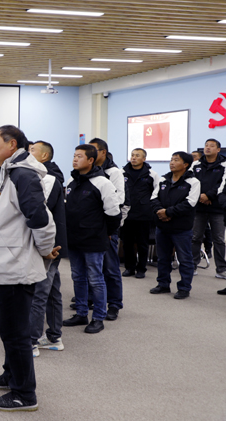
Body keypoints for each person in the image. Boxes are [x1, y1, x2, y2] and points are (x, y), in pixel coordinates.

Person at [0, 125, 58, 412]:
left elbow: (40, 218)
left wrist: (45, 250)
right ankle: (11, 375)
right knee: (7, 327)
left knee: (16, 332)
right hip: (6, 262)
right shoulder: (7, 171)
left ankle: (24, 394)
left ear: (12, 145)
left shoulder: (23, 174)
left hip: (14, 265)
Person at [63, 144, 121, 334]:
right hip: (74, 238)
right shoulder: (72, 181)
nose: (75, 159)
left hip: (94, 239)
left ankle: (98, 317)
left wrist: (108, 232)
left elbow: (113, 212)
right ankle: (81, 313)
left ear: (90, 160)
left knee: (95, 279)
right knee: (78, 277)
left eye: (79, 156)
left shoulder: (102, 182)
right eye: (74, 155)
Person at [28, 141, 67, 357]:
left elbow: (39, 210)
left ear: (44, 156)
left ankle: (32, 341)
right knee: (52, 290)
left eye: (32, 150)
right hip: (47, 243)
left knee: (39, 292)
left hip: (48, 245)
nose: (28, 153)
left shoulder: (49, 178)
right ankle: (54, 337)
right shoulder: (39, 176)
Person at [150, 152, 200, 299]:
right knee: (163, 258)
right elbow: (153, 198)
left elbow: (190, 203)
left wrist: (168, 212)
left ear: (185, 165)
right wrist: (160, 212)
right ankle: (163, 284)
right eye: (171, 159)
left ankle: (184, 288)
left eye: (176, 160)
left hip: (181, 228)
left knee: (184, 259)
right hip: (162, 226)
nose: (172, 162)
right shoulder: (163, 179)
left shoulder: (193, 182)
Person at [89, 138, 126, 321]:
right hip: (90, 226)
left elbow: (119, 200)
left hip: (107, 225)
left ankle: (114, 304)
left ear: (103, 152)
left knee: (110, 267)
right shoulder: (87, 172)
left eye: (93, 150)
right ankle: (91, 299)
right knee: (91, 267)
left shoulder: (114, 172)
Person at [190, 139, 226, 279]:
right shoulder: (196, 164)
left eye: (211, 146)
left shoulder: (224, 165)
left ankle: (221, 269)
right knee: (195, 237)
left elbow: (223, 184)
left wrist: (209, 195)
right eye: (206, 145)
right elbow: (191, 181)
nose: (208, 148)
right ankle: (192, 266)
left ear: (218, 149)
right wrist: (200, 196)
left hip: (217, 207)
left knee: (219, 239)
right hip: (199, 206)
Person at [121, 148, 160, 278]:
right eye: (132, 155)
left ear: (144, 159)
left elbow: (156, 193)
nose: (134, 157)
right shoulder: (122, 173)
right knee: (127, 243)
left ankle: (141, 269)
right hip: (127, 213)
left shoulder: (151, 174)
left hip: (144, 213)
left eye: (137, 155)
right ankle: (129, 268)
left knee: (142, 243)